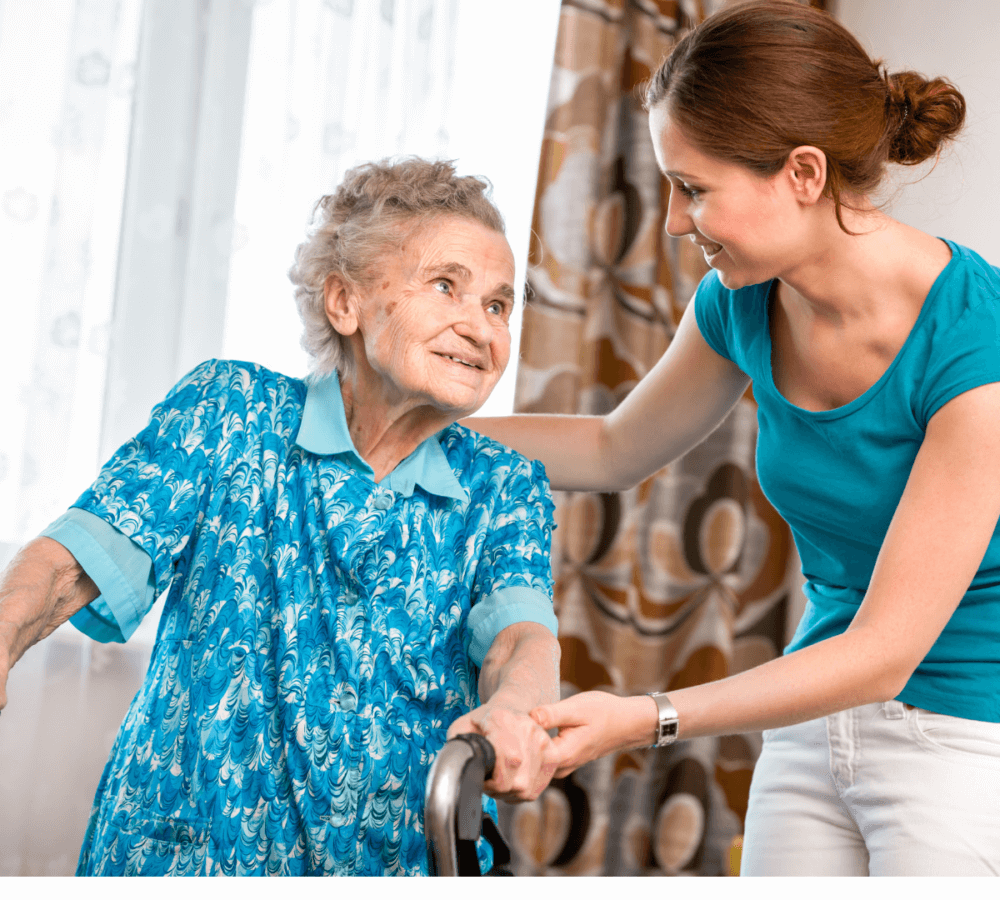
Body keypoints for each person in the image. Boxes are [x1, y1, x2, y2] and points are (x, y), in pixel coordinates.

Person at [465, 0, 1000, 877]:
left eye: (694, 188)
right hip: (814, 717)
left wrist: (645, 716)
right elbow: (612, 447)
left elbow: (883, 653)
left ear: (801, 172)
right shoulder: (744, 301)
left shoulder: (978, 347)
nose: (675, 222)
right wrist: (417, 427)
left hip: (965, 738)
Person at [0, 157, 562, 876]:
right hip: (185, 860)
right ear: (344, 303)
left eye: (499, 305)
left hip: (385, 865)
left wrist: (514, 711)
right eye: (446, 285)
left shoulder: (503, 487)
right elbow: (75, 561)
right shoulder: (231, 414)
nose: (478, 326)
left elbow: (521, 640)